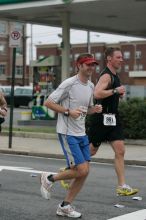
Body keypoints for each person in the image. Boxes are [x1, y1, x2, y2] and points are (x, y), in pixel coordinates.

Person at [40, 53, 102, 218]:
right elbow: (48, 102)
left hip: (81, 133)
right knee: (81, 169)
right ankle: (50, 178)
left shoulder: (90, 85)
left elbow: (85, 109)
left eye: (93, 64)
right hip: (68, 133)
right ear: (79, 66)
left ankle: (64, 206)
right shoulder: (69, 83)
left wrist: (93, 110)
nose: (91, 67)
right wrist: (68, 112)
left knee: (85, 171)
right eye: (87, 64)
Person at [87, 47, 139, 196]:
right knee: (91, 150)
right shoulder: (106, 76)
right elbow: (97, 93)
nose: (121, 60)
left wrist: (117, 95)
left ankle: (122, 185)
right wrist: (115, 91)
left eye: (122, 57)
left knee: (120, 151)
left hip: (113, 118)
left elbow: (109, 93)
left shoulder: (116, 76)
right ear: (109, 59)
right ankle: (69, 170)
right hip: (101, 118)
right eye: (118, 57)